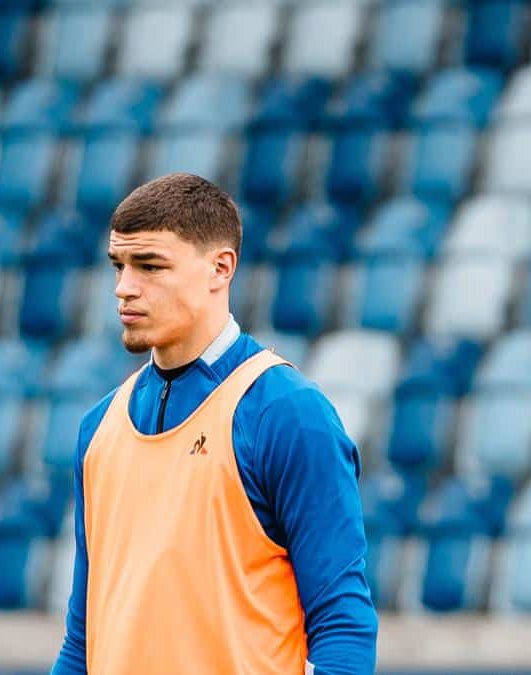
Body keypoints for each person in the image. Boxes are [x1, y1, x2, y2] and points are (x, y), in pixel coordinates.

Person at [51, 174, 378, 675]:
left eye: (149, 266)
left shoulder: (286, 414)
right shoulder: (98, 429)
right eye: (118, 266)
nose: (124, 288)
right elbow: (83, 641)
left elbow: (343, 628)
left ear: (220, 269)